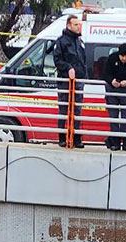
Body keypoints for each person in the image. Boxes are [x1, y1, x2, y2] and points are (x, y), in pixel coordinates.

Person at [52, 15, 88, 147]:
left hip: (78, 80)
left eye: (79, 24)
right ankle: (62, 137)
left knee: (77, 110)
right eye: (76, 24)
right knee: (63, 109)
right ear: (69, 25)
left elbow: (83, 61)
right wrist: (68, 68)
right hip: (65, 81)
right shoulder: (61, 41)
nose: (79, 27)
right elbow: (57, 61)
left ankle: (77, 137)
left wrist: (84, 76)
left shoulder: (79, 41)